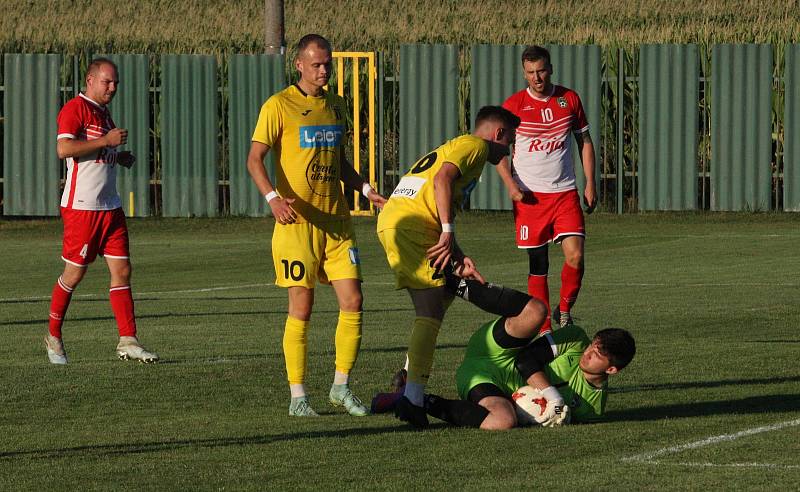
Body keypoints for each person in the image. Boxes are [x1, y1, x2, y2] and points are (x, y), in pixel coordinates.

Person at [246, 34, 386, 417]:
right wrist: (273, 199)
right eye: (316, 64)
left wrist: (366, 189)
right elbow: (254, 159)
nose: (323, 70)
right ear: (299, 65)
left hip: (337, 222)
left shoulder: (336, 105)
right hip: (297, 224)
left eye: (327, 64)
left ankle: (341, 387)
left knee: (354, 300)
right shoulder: (279, 105)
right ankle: (298, 397)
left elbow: (338, 162)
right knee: (302, 307)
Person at [376, 106, 521, 427]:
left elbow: (440, 195)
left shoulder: (462, 148)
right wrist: (447, 231)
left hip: (407, 223)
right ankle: (411, 399)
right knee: (429, 308)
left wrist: (458, 255)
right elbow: (442, 179)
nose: (508, 148)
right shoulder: (476, 147)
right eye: (510, 139)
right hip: (410, 226)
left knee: (440, 300)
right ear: (498, 134)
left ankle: (408, 383)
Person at [373, 273, 636, 430]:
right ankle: (457, 283)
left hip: (485, 380)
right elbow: (526, 358)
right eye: (594, 345)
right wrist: (552, 396)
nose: (589, 352)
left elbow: (547, 416)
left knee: (502, 421)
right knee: (537, 311)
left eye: (597, 355)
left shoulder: (594, 408)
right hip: (497, 352)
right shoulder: (576, 339)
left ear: (612, 369)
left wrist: (541, 414)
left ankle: (412, 398)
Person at [45, 58, 158, 365]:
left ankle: (128, 340)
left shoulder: (103, 113)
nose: (113, 87)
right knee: (75, 273)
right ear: (90, 80)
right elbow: (64, 149)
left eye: (116, 82)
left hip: (110, 205)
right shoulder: (75, 108)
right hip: (83, 207)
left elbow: (94, 150)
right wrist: (106, 141)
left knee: (122, 271)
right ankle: (54, 336)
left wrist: (115, 155)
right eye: (107, 81)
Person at [498, 45, 598, 332]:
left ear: (550, 68)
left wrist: (590, 182)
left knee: (576, 256)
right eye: (530, 73)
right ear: (524, 72)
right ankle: (543, 328)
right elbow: (498, 151)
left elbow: (585, 141)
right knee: (538, 262)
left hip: (565, 192)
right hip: (530, 198)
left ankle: (564, 309)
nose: (536, 78)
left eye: (541, 70)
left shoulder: (569, 99)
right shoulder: (514, 106)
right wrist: (511, 185)